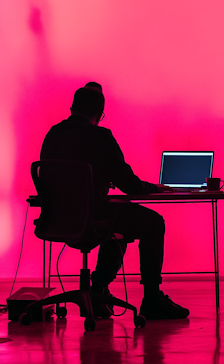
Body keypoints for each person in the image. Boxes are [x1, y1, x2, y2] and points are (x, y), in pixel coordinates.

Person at [40, 86, 189, 320]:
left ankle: (98, 288)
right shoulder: (101, 137)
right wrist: (154, 188)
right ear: (100, 115)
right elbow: (130, 186)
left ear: (71, 109)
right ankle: (151, 298)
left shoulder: (53, 134)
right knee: (152, 223)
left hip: (56, 219)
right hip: (93, 217)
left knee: (117, 222)